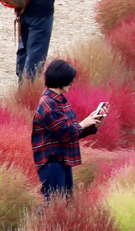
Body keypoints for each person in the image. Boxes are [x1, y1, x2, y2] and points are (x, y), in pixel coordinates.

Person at [31, 59, 106, 198]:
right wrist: (83, 124)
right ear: (61, 80)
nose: (72, 83)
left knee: (65, 202)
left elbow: (70, 133)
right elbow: (63, 131)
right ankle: (40, 220)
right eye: (70, 80)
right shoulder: (48, 104)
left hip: (61, 159)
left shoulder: (59, 100)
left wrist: (92, 126)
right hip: (51, 162)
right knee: (54, 203)